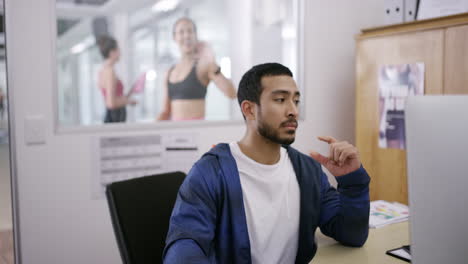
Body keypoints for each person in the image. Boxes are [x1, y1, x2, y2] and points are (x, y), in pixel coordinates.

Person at [163, 63, 371, 263]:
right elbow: (184, 247)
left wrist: (352, 180)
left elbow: (352, 234)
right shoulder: (211, 172)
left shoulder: (308, 171)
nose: (293, 111)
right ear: (249, 109)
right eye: (280, 100)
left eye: (296, 101)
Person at [156, 17, 236, 121]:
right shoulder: (169, 72)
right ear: (174, 37)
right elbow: (165, 112)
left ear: (196, 36)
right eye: (181, 32)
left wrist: (213, 63)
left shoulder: (204, 66)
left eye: (190, 31)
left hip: (196, 132)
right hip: (175, 133)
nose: (187, 35)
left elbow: (232, 93)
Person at [97, 35, 137, 123]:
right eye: (118, 50)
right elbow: (111, 103)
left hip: (115, 116)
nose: (120, 53)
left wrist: (128, 95)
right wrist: (128, 101)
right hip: (115, 117)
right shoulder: (109, 72)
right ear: (112, 52)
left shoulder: (104, 70)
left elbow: (114, 97)